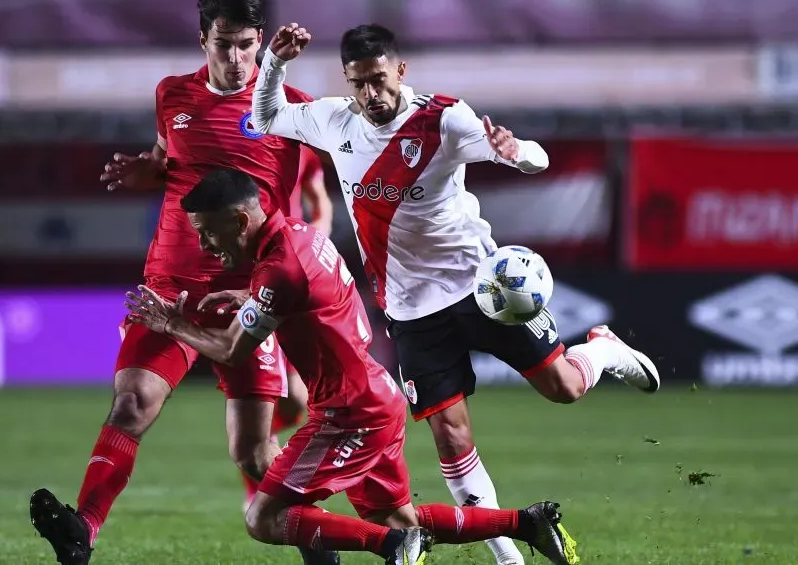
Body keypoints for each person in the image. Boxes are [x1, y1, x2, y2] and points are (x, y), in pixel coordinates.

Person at [250, 23, 660, 565]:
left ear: (401, 71)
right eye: (358, 84)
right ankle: (507, 557)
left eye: (378, 80)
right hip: (411, 310)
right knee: (450, 434)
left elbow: (536, 158)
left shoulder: (443, 119)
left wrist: (516, 153)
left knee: (563, 387)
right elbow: (265, 117)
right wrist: (275, 65)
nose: (371, 95)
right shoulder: (335, 120)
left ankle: (603, 348)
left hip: (481, 288)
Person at [123, 168, 580, 565]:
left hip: (348, 413)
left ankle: (393, 548)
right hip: (374, 396)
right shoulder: (299, 237)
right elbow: (313, 299)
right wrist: (253, 299)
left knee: (263, 519)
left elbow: (232, 350)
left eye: (208, 231)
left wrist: (172, 323)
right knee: (398, 518)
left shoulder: (280, 268)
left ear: (240, 220)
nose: (203, 243)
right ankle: (528, 523)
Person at [27, 0, 339, 564]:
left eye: (248, 45)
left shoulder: (293, 110)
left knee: (252, 454)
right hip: (169, 287)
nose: (238, 58)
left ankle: (320, 541)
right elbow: (169, 157)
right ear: (204, 41)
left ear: (261, 43)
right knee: (131, 405)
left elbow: (325, 181)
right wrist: (151, 169)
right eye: (226, 44)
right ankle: (83, 531)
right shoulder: (173, 95)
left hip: (248, 295)